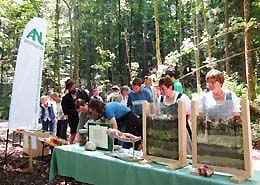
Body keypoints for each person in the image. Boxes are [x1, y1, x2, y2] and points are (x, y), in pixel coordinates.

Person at [158, 77, 192, 154]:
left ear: (170, 87)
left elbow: (190, 114)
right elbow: (159, 114)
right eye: (160, 89)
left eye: (163, 89)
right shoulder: (160, 99)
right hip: (165, 132)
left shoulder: (182, 98)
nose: (161, 91)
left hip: (181, 132)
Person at [61, 79, 79, 144]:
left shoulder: (81, 93)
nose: (72, 89)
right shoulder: (65, 98)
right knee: (73, 133)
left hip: (83, 117)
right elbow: (65, 110)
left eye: (73, 87)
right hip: (73, 118)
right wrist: (75, 111)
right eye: (70, 88)